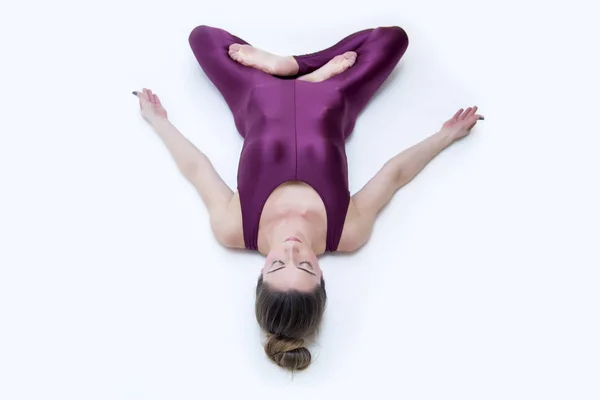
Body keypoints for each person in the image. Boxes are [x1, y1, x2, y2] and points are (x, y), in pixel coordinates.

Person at [132, 24, 484, 371]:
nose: (291, 250)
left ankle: (292, 69)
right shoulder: (345, 233)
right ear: (321, 277)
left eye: (276, 265)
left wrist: (159, 121)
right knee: (392, 39)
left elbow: (196, 168)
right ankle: (299, 70)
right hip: (335, 91)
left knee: (203, 38)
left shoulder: (235, 227)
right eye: (304, 266)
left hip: (256, 90)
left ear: (260, 273)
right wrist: (445, 137)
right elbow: (393, 175)